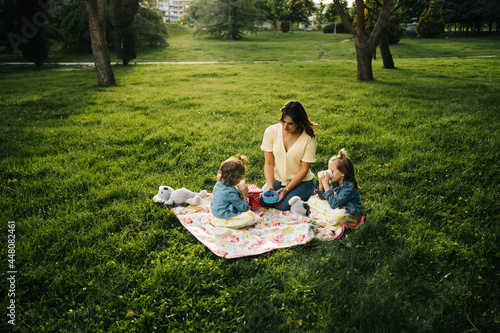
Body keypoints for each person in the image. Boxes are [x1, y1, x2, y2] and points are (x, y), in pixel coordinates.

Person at [259, 100, 318, 211]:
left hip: (302, 182)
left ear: (299, 122)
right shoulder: (271, 131)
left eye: (290, 123)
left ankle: (305, 197)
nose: (285, 126)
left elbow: (304, 169)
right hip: (278, 179)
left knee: (281, 206)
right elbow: (269, 163)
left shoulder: (309, 137)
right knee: (263, 201)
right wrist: (270, 185)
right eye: (283, 121)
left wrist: (287, 189)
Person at [210, 154, 259, 229]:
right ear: (234, 178)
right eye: (240, 178)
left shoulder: (218, 184)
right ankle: (227, 225)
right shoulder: (230, 192)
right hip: (223, 219)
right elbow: (243, 208)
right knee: (251, 216)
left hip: (214, 214)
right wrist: (244, 195)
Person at [316, 149, 361, 227]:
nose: (329, 173)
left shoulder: (349, 187)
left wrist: (326, 186)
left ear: (343, 173)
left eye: (332, 171)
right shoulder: (335, 181)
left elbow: (334, 204)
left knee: (337, 216)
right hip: (337, 207)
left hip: (348, 213)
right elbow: (324, 197)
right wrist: (321, 184)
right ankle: (327, 219)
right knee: (312, 200)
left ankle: (325, 219)